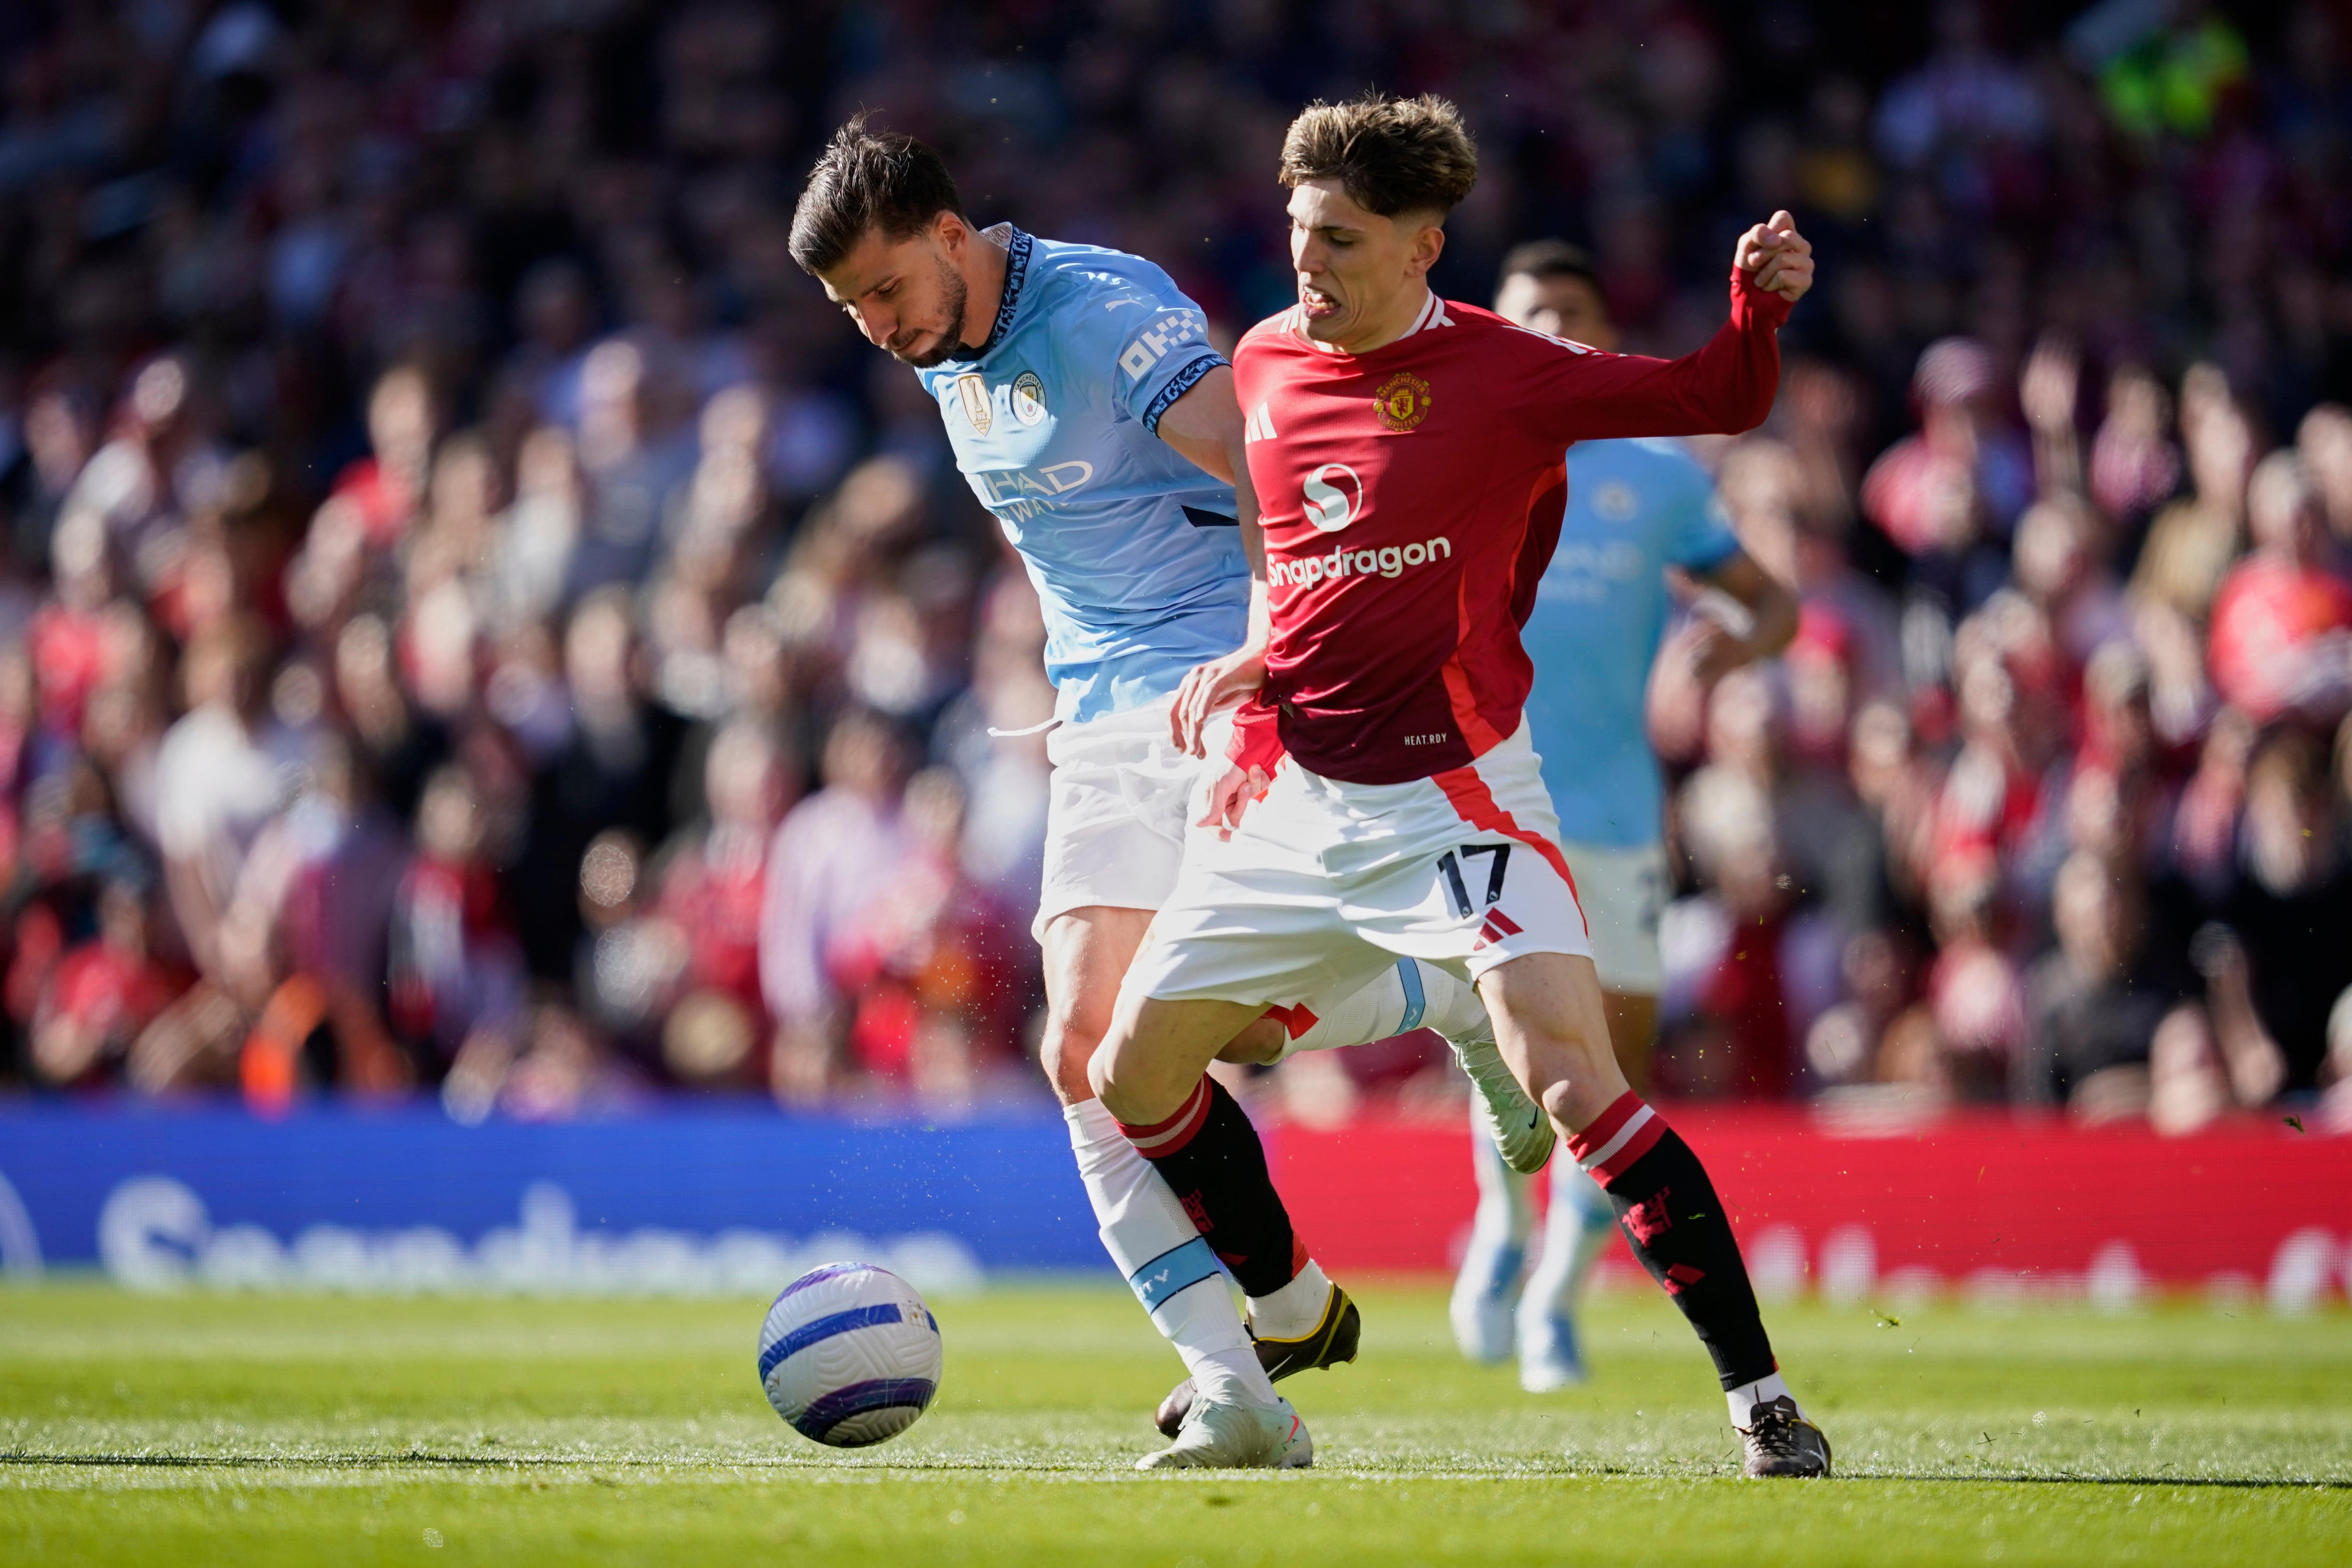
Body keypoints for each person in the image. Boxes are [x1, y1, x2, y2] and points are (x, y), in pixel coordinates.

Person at [1089, 92, 1833, 1477]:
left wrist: (1757, 308)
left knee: (1575, 1082)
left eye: (1341, 240)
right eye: (1300, 231)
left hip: (1455, 798)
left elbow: (1715, 397)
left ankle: (1762, 1401)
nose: (1308, 262)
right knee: (1128, 1073)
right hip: (1298, 796)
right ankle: (1295, 1312)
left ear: (1423, 246)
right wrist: (1255, 665)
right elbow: (1302, 567)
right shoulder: (1262, 361)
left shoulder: (1507, 371)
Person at [787, 118, 1514, 1467]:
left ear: (950, 234)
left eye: (885, 289)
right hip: (1102, 716)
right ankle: (1241, 1383)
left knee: (1225, 1029)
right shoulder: (946, 349)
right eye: (851, 310)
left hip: (1219, 677)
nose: (877, 327)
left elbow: (1264, 462)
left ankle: (1445, 996)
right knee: (1083, 1049)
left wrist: (1275, 652)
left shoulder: (1100, 311)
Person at [1447, 240, 1798, 1393]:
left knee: (1616, 1065)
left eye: (1572, 311)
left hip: (1612, 811)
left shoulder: (1656, 476)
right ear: (1494, 327)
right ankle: (1505, 1231)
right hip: (1489, 798)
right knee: (1514, 1047)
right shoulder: (1458, 451)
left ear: (1603, 338)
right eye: (1530, 311)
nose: (1552, 328)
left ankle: (1556, 1295)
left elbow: (1773, 603)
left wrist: (1732, 646)